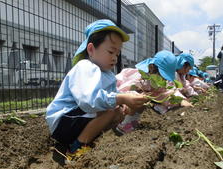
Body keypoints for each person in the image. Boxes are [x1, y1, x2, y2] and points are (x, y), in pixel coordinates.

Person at [46, 19, 148, 156]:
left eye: (117, 54)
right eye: (111, 52)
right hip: (63, 121)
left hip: (78, 119)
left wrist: (124, 102)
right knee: (111, 111)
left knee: (117, 111)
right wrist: (121, 98)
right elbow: (89, 101)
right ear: (91, 49)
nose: (115, 58)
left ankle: (102, 137)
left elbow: (113, 96)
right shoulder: (85, 67)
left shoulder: (108, 74)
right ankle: (77, 147)